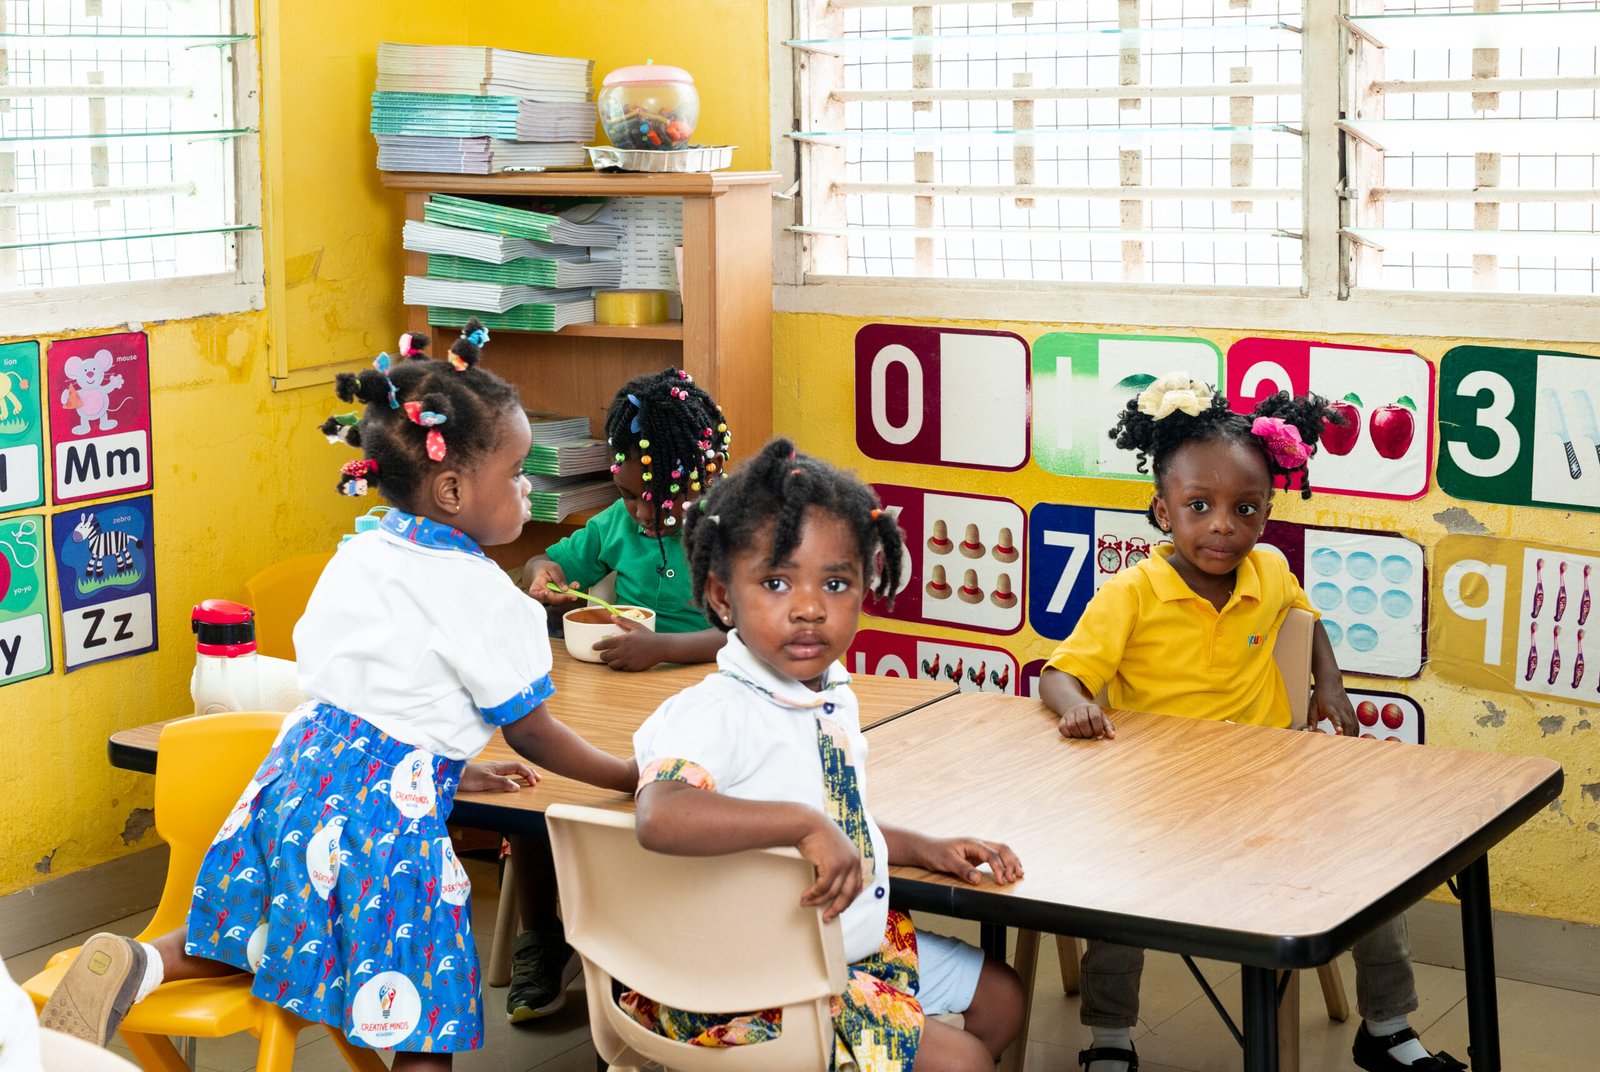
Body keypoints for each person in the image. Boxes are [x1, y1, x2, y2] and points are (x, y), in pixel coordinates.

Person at [37, 324, 637, 1070]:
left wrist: (449, 772)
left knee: (248, 934)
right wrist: (628, 775)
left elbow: (370, 701)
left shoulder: (362, 551)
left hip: (294, 776)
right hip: (382, 825)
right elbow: (533, 733)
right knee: (421, 1011)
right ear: (452, 489)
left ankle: (144, 960)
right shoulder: (487, 594)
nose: (528, 488)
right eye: (518, 472)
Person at [1039, 373, 1463, 1072]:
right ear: (1163, 510)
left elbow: (1306, 620)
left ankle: (1388, 1028)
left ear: (1266, 513)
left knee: (1375, 870)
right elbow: (1059, 674)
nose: (1222, 526)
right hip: (1157, 802)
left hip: (1272, 794)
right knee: (1115, 896)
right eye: (1198, 506)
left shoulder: (1268, 571)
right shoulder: (1132, 593)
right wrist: (1077, 704)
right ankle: (1110, 1038)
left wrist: (1329, 685)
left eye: (1245, 508)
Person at [629, 437, 1027, 1071]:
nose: (810, 608)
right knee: (962, 1063)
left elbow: (836, 818)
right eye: (776, 583)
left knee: (1001, 999)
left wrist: (924, 847)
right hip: (753, 978)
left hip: (834, 944)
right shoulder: (720, 709)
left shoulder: (830, 692)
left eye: (836, 583)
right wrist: (804, 825)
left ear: (865, 588)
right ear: (724, 598)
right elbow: (660, 815)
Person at [501, 366, 731, 1023]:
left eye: (660, 499)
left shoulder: (736, 530)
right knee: (542, 782)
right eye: (630, 495)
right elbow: (545, 562)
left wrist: (664, 648)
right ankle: (540, 936)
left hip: (710, 706)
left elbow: (749, 637)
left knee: (664, 801)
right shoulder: (617, 524)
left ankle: (647, 943)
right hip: (618, 701)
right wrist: (543, 572)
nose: (643, 513)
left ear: (705, 476)